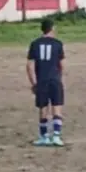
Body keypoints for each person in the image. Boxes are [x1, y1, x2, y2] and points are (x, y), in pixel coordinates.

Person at [26, 18, 66, 146]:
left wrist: (33, 83)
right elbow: (62, 64)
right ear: (52, 28)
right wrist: (59, 77)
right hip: (54, 79)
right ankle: (56, 136)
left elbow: (29, 66)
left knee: (43, 108)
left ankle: (44, 137)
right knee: (57, 107)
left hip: (41, 80)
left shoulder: (35, 44)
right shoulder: (58, 44)